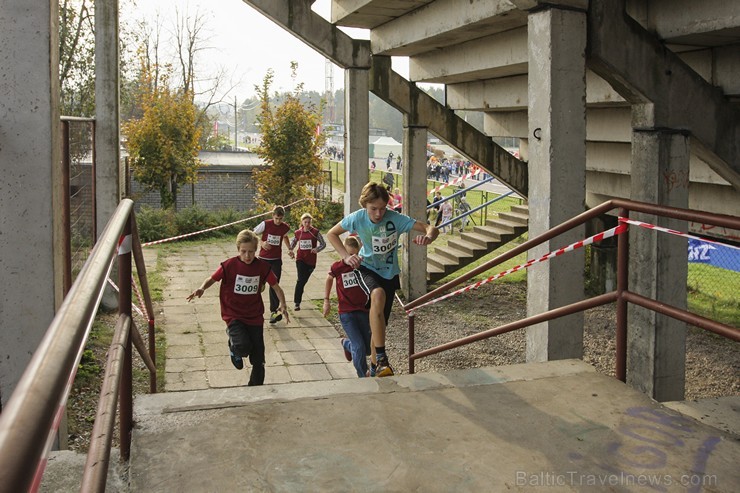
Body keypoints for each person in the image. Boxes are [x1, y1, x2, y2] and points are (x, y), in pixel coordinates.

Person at [326, 182, 439, 377]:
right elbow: (332, 233)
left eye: (382, 209)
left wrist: (428, 237)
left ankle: (374, 368)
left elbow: (429, 227)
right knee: (377, 295)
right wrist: (346, 256)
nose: (378, 214)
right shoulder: (357, 218)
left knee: (378, 325)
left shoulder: (395, 219)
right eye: (373, 209)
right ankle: (382, 357)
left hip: (390, 274)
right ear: (365, 206)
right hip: (366, 268)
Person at [186, 229, 290, 386]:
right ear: (238, 250)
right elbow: (212, 279)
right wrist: (201, 288)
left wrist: (283, 304)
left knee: (259, 360)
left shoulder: (262, 267)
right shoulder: (229, 265)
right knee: (242, 347)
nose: (247, 256)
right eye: (243, 252)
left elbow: (276, 287)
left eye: (251, 252)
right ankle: (234, 348)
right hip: (233, 314)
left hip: (254, 316)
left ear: (256, 250)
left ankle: (255, 389)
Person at [323, 235, 373, 378]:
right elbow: (329, 279)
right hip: (346, 313)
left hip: (363, 310)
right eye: (350, 255)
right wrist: (326, 301)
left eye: (355, 255)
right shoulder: (338, 267)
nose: (353, 259)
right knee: (359, 347)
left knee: (368, 348)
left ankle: (346, 344)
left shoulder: (363, 265)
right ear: (343, 253)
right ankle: (363, 376)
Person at [254, 206, 294, 323]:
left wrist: (290, 249)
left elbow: (285, 236)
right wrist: (261, 242)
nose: (278, 221)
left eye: (280, 219)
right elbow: (252, 233)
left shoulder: (285, 227)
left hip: (276, 260)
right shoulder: (265, 224)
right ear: (273, 216)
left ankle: (274, 312)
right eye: (276, 218)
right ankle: (253, 309)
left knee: (275, 285)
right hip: (263, 259)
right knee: (258, 285)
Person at [289, 213, 326, 311]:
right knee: (300, 280)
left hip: (311, 261)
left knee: (303, 281)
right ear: (302, 222)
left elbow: (323, 244)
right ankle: (297, 303)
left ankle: (299, 292)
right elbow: (293, 242)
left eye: (309, 222)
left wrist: (317, 249)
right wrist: (290, 250)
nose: (307, 224)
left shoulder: (315, 232)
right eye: (305, 222)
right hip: (300, 259)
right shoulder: (298, 232)